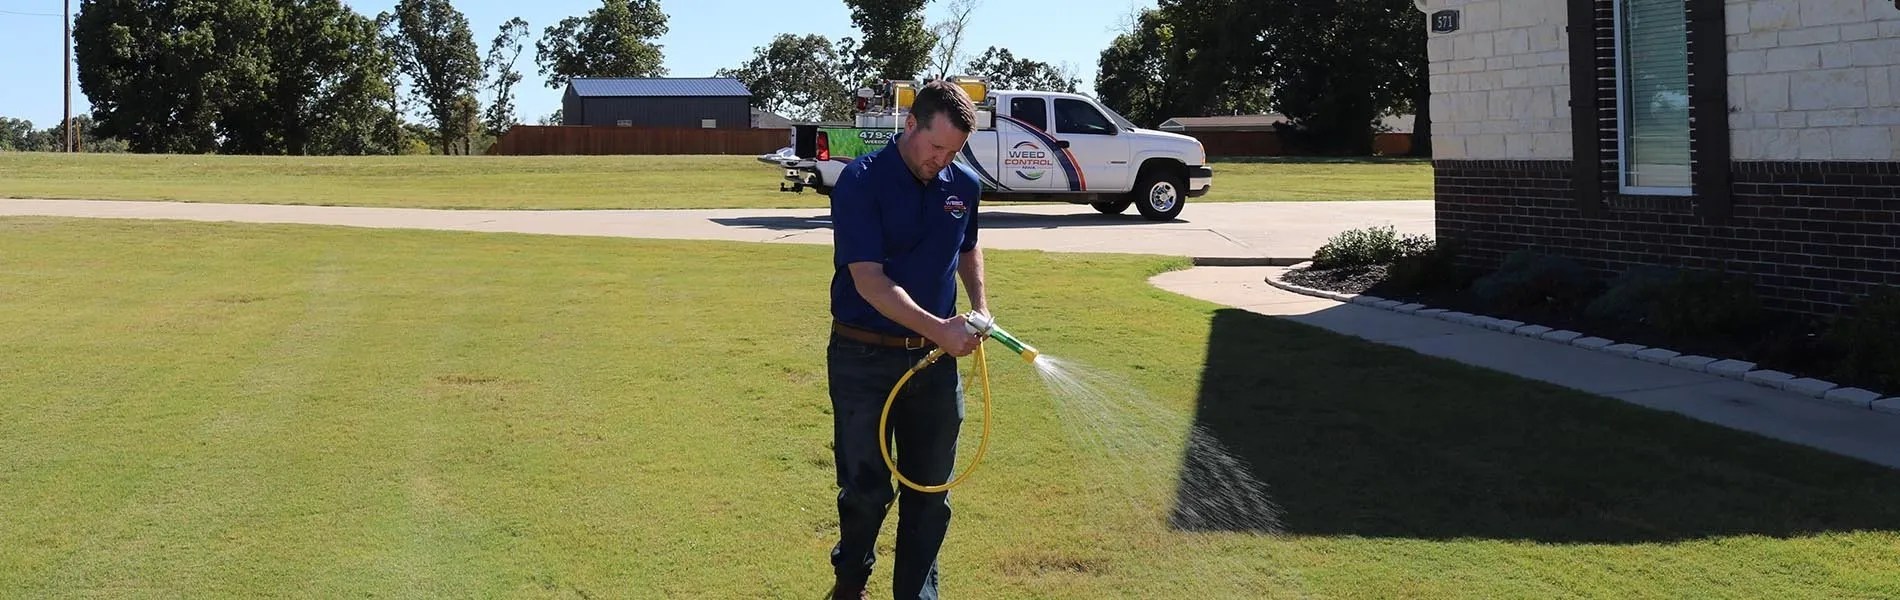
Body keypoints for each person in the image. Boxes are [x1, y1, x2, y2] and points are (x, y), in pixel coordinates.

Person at [824, 79, 986, 600]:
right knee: (867, 491)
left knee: (930, 493)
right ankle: (851, 581)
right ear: (910, 123)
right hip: (862, 356)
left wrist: (979, 306)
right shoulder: (861, 180)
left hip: (934, 366)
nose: (942, 159)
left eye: (954, 151)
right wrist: (939, 327)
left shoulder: (963, 186)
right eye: (935, 146)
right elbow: (869, 279)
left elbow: (967, 249)